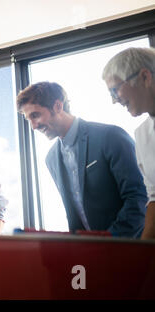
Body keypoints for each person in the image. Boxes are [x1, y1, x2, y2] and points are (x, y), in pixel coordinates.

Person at [16, 81, 147, 237]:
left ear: (57, 106)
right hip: (92, 253)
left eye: (35, 115)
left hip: (132, 246)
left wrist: (110, 241)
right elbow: (76, 215)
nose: (33, 126)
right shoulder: (51, 159)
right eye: (28, 119)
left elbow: (138, 198)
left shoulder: (111, 136)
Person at [102, 47, 155, 239]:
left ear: (144, 77)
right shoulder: (141, 135)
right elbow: (154, 200)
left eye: (115, 90)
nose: (115, 100)